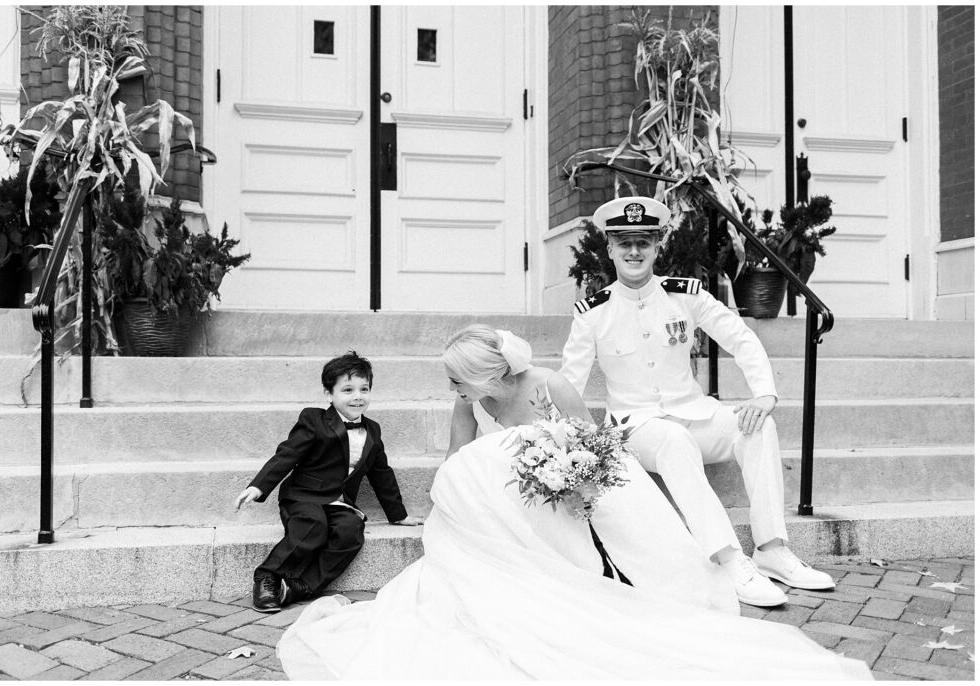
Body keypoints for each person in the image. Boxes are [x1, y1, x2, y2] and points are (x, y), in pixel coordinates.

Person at [275, 326, 871, 680]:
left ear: (489, 377)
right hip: (524, 500)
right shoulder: (470, 405)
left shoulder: (550, 386)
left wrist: (575, 479)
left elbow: (596, 446)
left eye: (459, 381)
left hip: (581, 488)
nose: (452, 390)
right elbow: (458, 464)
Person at [560, 195, 835, 608]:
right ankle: (728, 559)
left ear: (657, 247)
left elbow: (740, 337)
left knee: (760, 426)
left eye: (644, 242)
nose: (634, 252)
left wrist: (763, 393)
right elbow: (569, 382)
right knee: (673, 440)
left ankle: (773, 549)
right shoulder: (593, 312)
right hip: (636, 428)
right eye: (624, 243)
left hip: (694, 413)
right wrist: (561, 436)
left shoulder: (686, 295)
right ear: (611, 249)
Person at [235, 351, 423, 613]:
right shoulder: (313, 420)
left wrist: (398, 515)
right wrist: (258, 486)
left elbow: (381, 473)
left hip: (339, 503)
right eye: (347, 389)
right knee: (312, 527)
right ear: (329, 394)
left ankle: (302, 586)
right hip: (303, 497)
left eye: (364, 389)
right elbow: (287, 454)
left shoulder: (373, 430)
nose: (357, 396)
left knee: (350, 533)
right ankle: (268, 577)